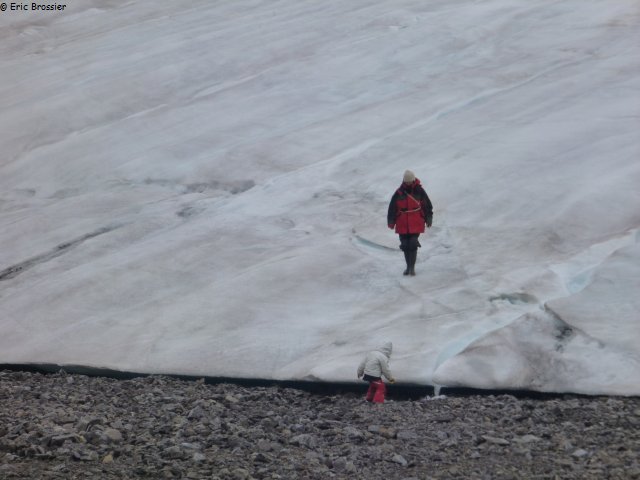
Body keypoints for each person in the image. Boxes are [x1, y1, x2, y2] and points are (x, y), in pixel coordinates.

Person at [387, 170, 433, 276]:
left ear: (413, 180)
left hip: (416, 221)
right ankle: (408, 267)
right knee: (405, 245)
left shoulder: (419, 191)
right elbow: (392, 208)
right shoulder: (399, 192)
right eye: (406, 181)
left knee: (412, 243)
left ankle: (412, 268)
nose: (408, 183)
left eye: (409, 181)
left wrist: (428, 218)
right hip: (402, 222)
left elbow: (427, 205)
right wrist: (391, 221)